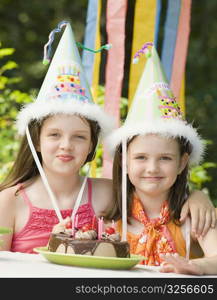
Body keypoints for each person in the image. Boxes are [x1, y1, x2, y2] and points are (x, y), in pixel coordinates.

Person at [0, 24, 215, 254]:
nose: (66, 145)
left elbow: (156, 190)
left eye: (79, 137)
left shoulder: (109, 194)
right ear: (37, 140)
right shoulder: (9, 201)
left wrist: (195, 197)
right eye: (54, 135)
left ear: (92, 144)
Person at [106, 44, 217, 275]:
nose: (152, 168)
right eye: (141, 157)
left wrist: (195, 266)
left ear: (182, 163)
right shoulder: (109, 216)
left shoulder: (194, 217)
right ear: (125, 161)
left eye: (165, 158)